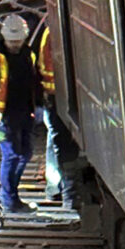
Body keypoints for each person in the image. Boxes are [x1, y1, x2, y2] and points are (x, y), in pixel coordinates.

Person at [0, 14, 38, 213]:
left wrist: (38, 104)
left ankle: (10, 193)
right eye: (12, 41)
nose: (15, 45)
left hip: (23, 111)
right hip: (4, 115)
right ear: (5, 38)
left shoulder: (27, 54)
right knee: (12, 155)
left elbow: (32, 80)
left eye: (18, 41)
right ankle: (9, 199)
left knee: (25, 154)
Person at [36, 24, 79, 211]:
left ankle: (54, 188)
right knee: (62, 143)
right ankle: (66, 193)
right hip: (56, 98)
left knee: (54, 142)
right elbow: (46, 68)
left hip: (55, 97)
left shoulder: (50, 33)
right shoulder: (52, 34)